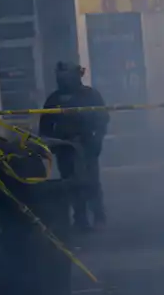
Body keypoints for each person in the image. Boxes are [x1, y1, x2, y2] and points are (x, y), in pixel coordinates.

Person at [38, 62, 110, 232]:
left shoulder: (90, 95)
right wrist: (51, 145)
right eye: (60, 75)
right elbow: (46, 124)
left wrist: (96, 138)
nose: (61, 78)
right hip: (65, 148)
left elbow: (102, 119)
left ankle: (98, 216)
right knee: (71, 184)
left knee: (91, 181)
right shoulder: (54, 99)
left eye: (65, 74)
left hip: (87, 145)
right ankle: (80, 218)